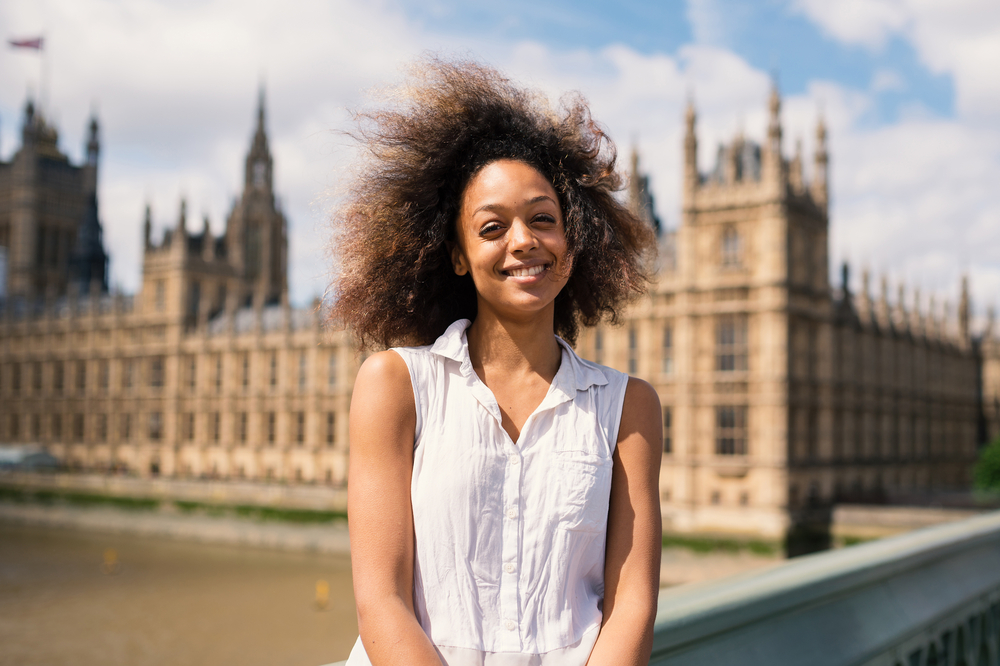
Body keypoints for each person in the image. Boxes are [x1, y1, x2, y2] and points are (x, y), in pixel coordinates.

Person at [331, 57, 662, 666]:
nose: (523, 241)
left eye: (544, 219)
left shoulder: (628, 406)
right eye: (492, 228)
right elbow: (381, 602)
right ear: (457, 255)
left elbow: (632, 606)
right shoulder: (396, 384)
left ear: (571, 245)